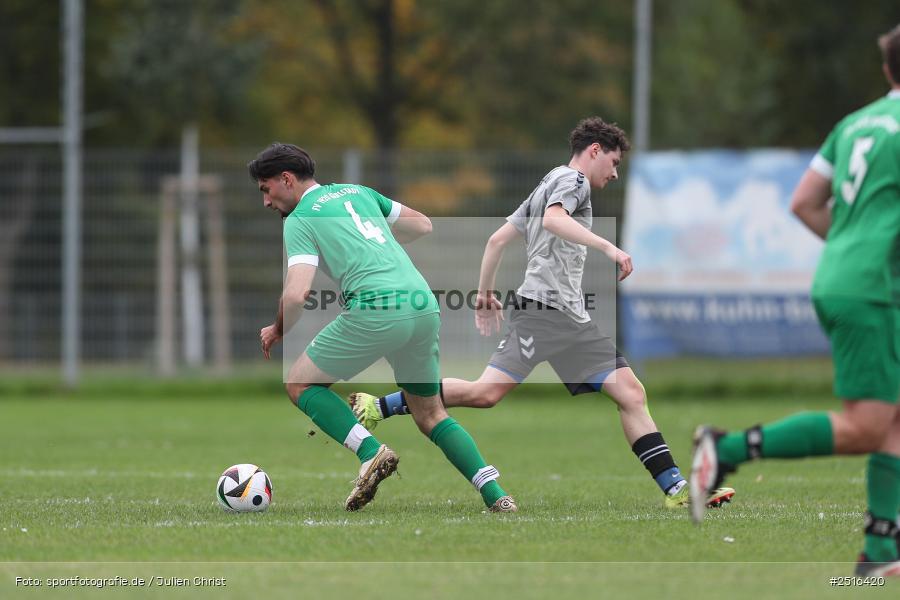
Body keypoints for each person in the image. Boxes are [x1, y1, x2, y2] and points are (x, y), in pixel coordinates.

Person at [349, 117, 734, 510]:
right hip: (543, 313)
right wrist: (609, 248)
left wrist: (485, 294)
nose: (615, 173)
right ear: (595, 151)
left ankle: (678, 490)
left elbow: (498, 239)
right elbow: (553, 219)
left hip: (570, 317)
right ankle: (381, 405)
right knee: (485, 394)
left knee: (631, 393)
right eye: (614, 162)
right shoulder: (574, 182)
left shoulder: (550, 180)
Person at [690, 25, 900, 576]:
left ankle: (880, 552)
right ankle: (728, 449)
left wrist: (854, 249)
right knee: (866, 427)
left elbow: (805, 202)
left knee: (893, 418)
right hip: (873, 289)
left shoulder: (855, 125)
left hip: (846, 277)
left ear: (886, 72)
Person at [250, 143, 517, 513]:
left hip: (378, 308)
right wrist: (373, 238)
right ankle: (497, 496)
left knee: (299, 383)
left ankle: (371, 452)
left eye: (266, 189)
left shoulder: (300, 220)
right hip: (423, 303)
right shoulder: (357, 192)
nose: (266, 201)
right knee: (431, 413)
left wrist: (278, 328)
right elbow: (422, 224)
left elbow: (297, 295)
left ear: (286, 179)